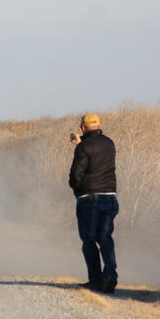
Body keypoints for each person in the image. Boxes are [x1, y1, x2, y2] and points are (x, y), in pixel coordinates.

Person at [69, 113, 119, 293]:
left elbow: (76, 175)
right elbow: (97, 157)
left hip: (89, 199)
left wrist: (75, 188)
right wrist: (83, 144)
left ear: (83, 128)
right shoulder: (109, 143)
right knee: (105, 238)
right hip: (110, 197)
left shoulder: (83, 148)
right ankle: (110, 276)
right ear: (98, 125)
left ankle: (96, 280)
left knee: (89, 240)